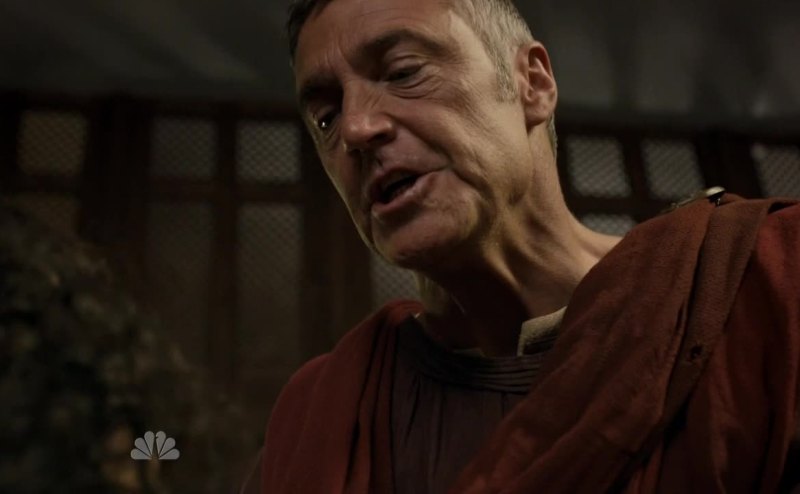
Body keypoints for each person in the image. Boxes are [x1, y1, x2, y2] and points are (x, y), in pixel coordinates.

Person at [254, 0, 800, 491]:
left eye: (403, 71)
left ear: (532, 83)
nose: (355, 129)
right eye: (326, 117)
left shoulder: (765, 280)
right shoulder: (325, 412)